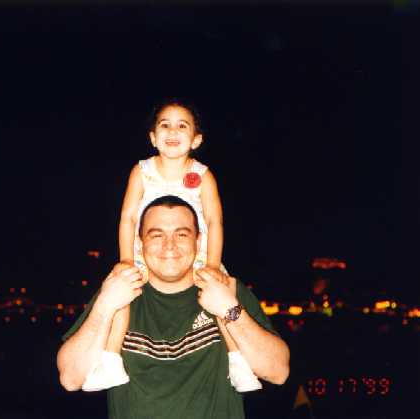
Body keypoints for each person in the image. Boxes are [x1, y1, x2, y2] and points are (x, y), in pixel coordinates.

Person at [57, 195, 290, 419]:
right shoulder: (116, 291)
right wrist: (104, 306)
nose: (169, 246)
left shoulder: (227, 289)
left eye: (181, 234)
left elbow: (278, 371)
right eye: (157, 235)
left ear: (198, 241)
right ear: (140, 243)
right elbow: (70, 378)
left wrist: (229, 309)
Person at [93, 99, 259, 392]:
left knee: (221, 290)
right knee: (121, 291)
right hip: (147, 251)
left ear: (196, 139)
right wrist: (127, 259)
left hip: (196, 251)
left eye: (182, 126)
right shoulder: (141, 171)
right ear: (153, 137)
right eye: (165, 125)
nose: (172, 131)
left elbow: (215, 221)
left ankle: (237, 361)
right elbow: (128, 218)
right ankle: (110, 359)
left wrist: (212, 264)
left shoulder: (203, 175)